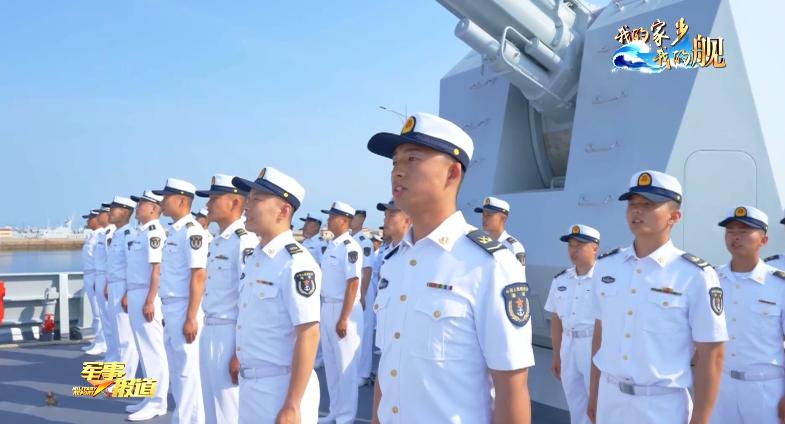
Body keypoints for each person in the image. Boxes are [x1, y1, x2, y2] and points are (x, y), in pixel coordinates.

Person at [367, 112, 534, 423]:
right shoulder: (394, 263)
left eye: (412, 158)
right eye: (395, 162)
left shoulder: (490, 265)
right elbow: (389, 367)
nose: (398, 171)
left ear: (452, 173)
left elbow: (511, 387)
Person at [588, 170, 728, 424]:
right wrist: (594, 395)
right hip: (610, 399)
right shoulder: (607, 266)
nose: (636, 211)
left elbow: (712, 353)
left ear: (674, 216)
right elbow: (600, 333)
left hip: (661, 407)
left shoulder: (694, 275)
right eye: (632, 203)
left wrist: (700, 419)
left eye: (648, 205)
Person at [231, 166, 322, 423]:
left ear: (283, 211)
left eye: (257, 199)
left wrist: (292, 404)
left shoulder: (296, 263)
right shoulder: (256, 258)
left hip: (281, 387)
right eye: (248, 199)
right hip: (252, 385)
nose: (247, 206)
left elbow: (308, 333)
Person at [710, 206, 785, 424]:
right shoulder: (711, 280)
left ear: (763, 240)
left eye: (744, 231)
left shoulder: (778, 284)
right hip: (721, 386)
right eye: (731, 231)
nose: (736, 237)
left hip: (766, 389)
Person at [195, 174, 257, 424]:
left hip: (230, 333)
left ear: (234, 202)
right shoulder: (218, 241)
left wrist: (239, 351)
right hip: (210, 328)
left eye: (214, 198)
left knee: (228, 408)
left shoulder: (244, 240)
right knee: (210, 405)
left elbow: (248, 299)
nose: (208, 204)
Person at [153, 178, 209, 424]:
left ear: (181, 200)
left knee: (187, 372)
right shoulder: (175, 232)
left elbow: (198, 275)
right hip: (170, 308)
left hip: (185, 308)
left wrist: (190, 317)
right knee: (177, 371)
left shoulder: (192, 232)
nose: (162, 202)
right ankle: (182, 418)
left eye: (166, 197)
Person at [544, 224, 600, 424]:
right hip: (568, 346)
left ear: (594, 248)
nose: (573, 251)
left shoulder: (604, 279)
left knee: (597, 403)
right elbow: (556, 319)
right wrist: (556, 354)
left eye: (579, 246)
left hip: (593, 345)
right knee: (575, 401)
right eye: (570, 246)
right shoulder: (561, 280)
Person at [125, 190, 169, 421]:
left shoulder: (154, 233)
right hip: (136, 293)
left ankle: (158, 402)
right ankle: (149, 396)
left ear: (153, 208)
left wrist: (150, 300)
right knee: (143, 350)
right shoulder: (141, 233)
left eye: (141, 203)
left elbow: (156, 269)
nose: (137, 207)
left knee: (153, 350)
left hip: (146, 295)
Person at [318, 201, 364, 424]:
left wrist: (344, 317)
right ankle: (335, 411)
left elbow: (353, 283)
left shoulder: (350, 247)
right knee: (331, 364)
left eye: (332, 217)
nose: (328, 220)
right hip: (327, 306)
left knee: (345, 366)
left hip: (344, 308)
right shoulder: (332, 246)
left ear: (344, 220)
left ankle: (346, 416)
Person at [474, 196, 527, 268]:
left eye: (489, 215)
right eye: (483, 214)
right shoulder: (479, 241)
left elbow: (519, 274)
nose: (484, 218)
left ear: (503, 218)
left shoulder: (513, 247)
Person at [81, 209, 107, 355]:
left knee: (99, 313)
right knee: (95, 312)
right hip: (89, 275)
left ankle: (102, 343)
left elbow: (103, 260)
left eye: (90, 218)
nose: (87, 221)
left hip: (96, 275)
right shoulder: (92, 235)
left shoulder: (101, 236)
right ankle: (98, 340)